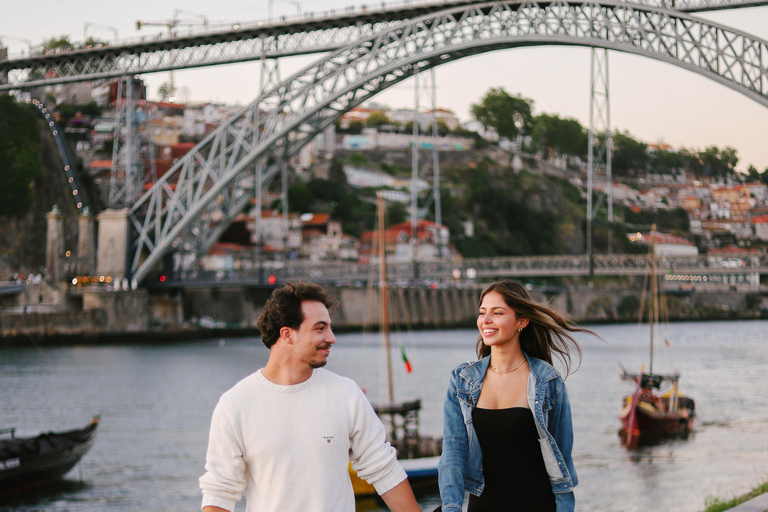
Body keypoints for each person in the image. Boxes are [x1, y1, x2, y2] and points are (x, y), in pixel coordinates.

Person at [199, 281, 422, 512]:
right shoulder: (235, 405)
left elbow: (383, 469)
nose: (332, 337)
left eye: (330, 327)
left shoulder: (346, 394)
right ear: (287, 334)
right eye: (320, 328)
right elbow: (219, 493)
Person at [438, 280, 591, 512]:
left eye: (497, 313)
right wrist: (451, 507)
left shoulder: (548, 382)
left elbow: (562, 464)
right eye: (482, 313)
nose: (486, 320)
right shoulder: (462, 381)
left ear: (522, 321)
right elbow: (452, 453)